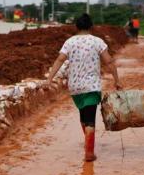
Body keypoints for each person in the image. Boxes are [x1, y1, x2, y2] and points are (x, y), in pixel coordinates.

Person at [47, 13, 122, 162]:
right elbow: (109, 61)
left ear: (76, 26)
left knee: (83, 117)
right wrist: (117, 80)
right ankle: (89, 153)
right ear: (91, 26)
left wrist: (49, 78)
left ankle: (88, 144)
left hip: (75, 87)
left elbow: (60, 59)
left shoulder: (69, 42)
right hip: (91, 86)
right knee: (90, 120)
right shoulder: (97, 42)